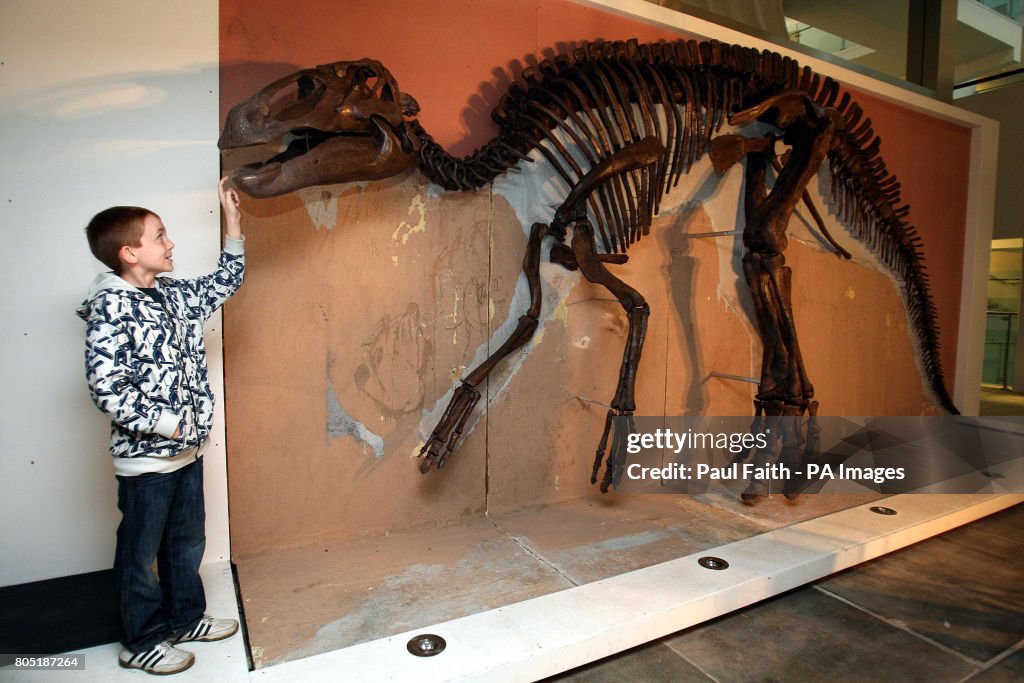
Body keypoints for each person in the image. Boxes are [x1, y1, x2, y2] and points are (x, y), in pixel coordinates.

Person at [77, 178, 245, 675]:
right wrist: (169, 425)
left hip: (187, 453)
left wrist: (232, 224)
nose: (170, 244)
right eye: (160, 235)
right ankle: (141, 640)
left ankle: (184, 617)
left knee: (186, 542)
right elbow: (107, 387)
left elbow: (223, 284)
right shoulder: (111, 306)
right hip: (147, 460)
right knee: (139, 556)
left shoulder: (169, 295)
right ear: (130, 252)